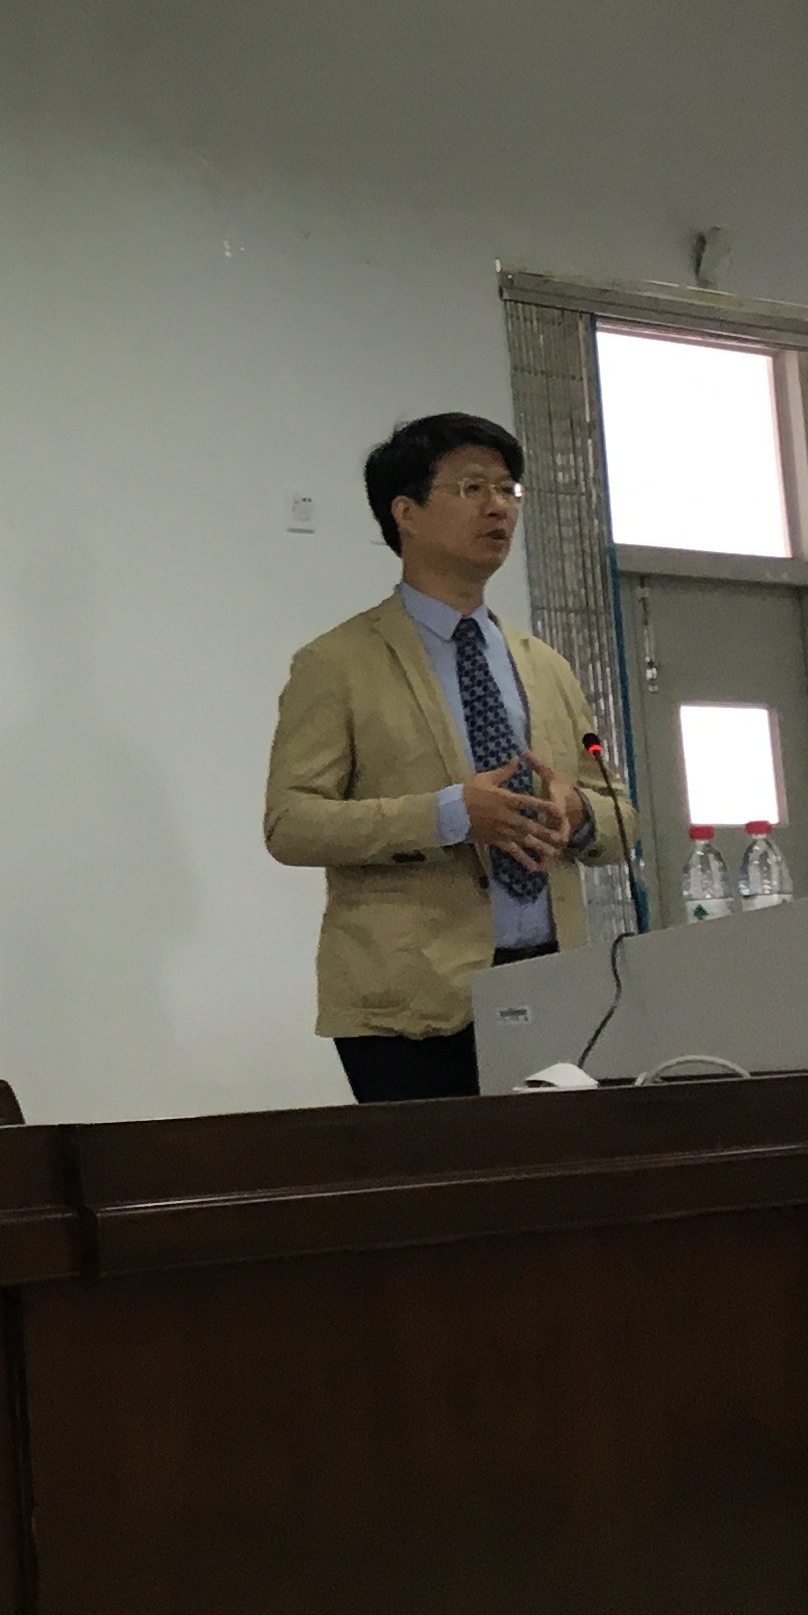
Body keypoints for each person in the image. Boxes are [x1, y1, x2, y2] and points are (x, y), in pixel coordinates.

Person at [262, 412, 626, 1102]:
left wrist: (579, 813)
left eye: (508, 489)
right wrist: (450, 815)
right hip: (409, 1007)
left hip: (555, 985)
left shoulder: (545, 665)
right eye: (471, 488)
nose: (498, 507)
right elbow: (291, 823)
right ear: (406, 513)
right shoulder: (337, 663)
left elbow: (620, 811)